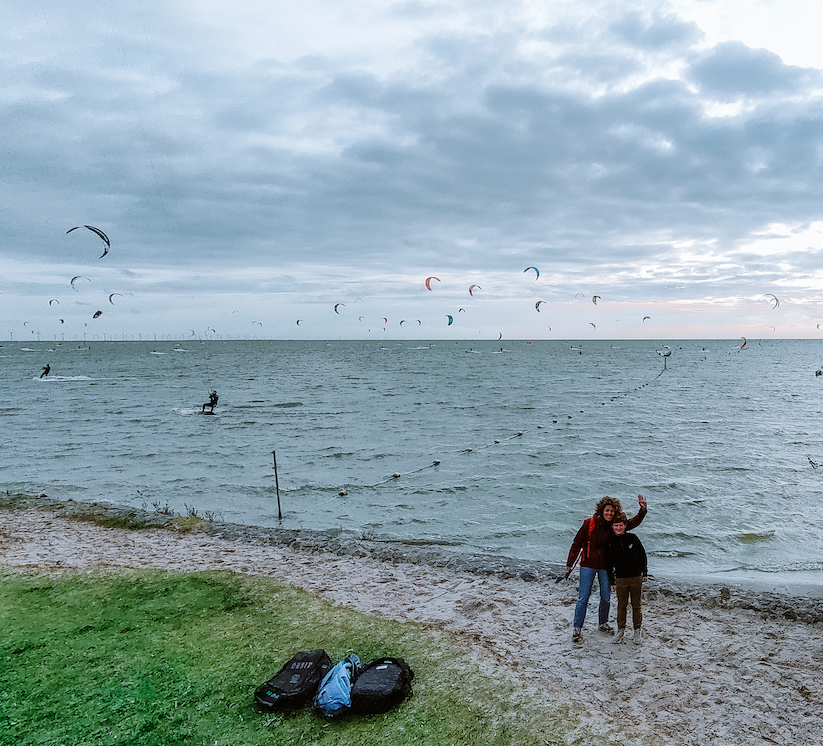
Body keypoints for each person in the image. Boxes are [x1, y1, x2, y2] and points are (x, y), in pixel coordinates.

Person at [566, 494, 647, 644]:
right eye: (607, 510)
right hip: (588, 565)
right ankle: (577, 629)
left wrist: (642, 510)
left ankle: (603, 624)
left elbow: (632, 522)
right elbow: (576, 543)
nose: (609, 513)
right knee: (583, 598)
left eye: (612, 511)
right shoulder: (588, 524)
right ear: (602, 510)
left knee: (606, 598)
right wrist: (569, 564)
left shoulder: (614, 525)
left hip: (605, 567)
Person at [606, 512, 648, 644]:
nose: (618, 528)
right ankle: (621, 630)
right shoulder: (610, 542)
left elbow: (642, 555)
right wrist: (611, 581)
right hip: (620, 578)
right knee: (621, 605)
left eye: (621, 525)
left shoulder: (633, 538)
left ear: (625, 525)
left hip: (636, 577)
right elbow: (608, 563)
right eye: (616, 525)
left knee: (636, 605)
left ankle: (637, 631)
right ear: (612, 526)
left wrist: (644, 573)